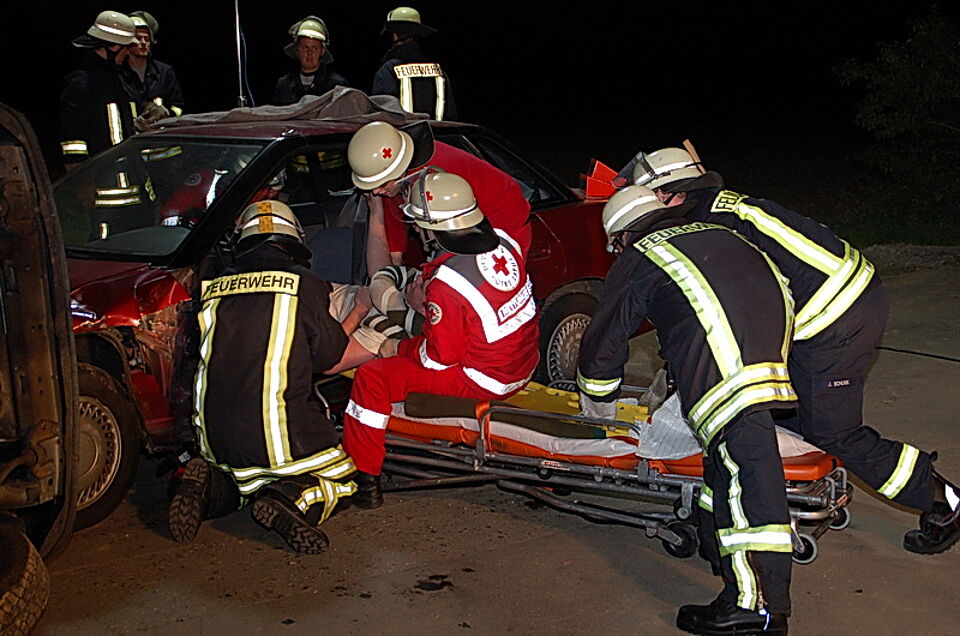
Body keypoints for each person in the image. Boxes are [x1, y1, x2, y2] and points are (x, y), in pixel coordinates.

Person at [634, 147, 960, 555]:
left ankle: (944, 502)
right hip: (842, 299)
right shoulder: (721, 208)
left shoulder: (709, 228)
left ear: (673, 194)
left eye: (651, 199)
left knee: (833, 431)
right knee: (784, 410)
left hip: (835, 316)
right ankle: (775, 499)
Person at [577, 185, 797, 635]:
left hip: (724, 374)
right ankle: (721, 555)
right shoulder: (717, 233)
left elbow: (605, 341)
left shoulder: (641, 254)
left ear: (623, 235)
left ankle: (754, 607)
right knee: (727, 470)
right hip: (769, 353)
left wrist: (598, 403)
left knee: (747, 483)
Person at [168, 200, 366, 554]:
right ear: (293, 241)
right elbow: (329, 357)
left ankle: (211, 488)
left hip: (212, 435)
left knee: (243, 480)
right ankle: (291, 499)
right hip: (275, 435)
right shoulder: (305, 284)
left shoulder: (211, 287)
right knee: (342, 478)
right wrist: (361, 310)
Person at [341, 171, 539, 509]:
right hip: (523, 363)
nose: (418, 231)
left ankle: (364, 479)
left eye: (419, 226)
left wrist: (399, 344)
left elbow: (438, 358)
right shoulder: (505, 242)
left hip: (485, 380)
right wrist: (427, 306)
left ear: (432, 228)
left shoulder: (447, 283)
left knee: (372, 378)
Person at [347, 120, 531, 268]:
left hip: (504, 221)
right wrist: (392, 273)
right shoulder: (395, 178)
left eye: (381, 184)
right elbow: (393, 234)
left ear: (398, 171)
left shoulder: (434, 178)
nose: (375, 192)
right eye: (371, 186)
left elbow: (451, 236)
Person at [59, 10, 138, 167]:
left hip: (126, 168)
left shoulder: (118, 78)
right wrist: (79, 171)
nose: (128, 53)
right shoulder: (82, 82)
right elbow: (72, 137)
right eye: (127, 48)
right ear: (113, 46)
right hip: (100, 173)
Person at [372, 7, 458, 121]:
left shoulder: (388, 70)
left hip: (401, 132)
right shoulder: (439, 71)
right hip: (437, 132)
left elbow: (381, 115)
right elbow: (452, 115)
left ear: (394, 34)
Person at [120, 11, 185, 130]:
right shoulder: (118, 73)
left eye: (147, 39)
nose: (143, 43)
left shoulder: (164, 72)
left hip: (159, 134)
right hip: (131, 136)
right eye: (138, 38)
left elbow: (178, 106)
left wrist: (167, 114)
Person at [272, 16, 350, 106]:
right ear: (297, 50)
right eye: (305, 47)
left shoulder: (337, 86)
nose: (310, 53)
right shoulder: (284, 85)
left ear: (322, 51)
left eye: (315, 48)